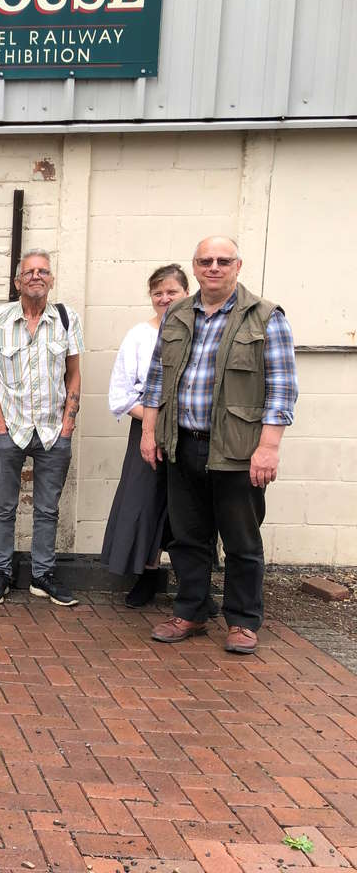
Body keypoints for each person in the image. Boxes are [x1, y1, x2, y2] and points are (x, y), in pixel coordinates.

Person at [141, 236, 297, 655]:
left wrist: (269, 448)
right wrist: (149, 432)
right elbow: (157, 378)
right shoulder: (176, 313)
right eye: (205, 260)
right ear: (194, 266)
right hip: (182, 443)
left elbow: (282, 389)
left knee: (242, 541)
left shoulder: (265, 317)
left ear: (237, 266)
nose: (214, 267)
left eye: (222, 261)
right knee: (188, 538)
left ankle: (243, 622)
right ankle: (191, 612)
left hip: (237, 450)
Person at [0, 248, 85, 607]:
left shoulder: (67, 320)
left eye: (43, 271)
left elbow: (74, 375)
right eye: (29, 272)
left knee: (47, 509)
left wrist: (67, 427)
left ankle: (42, 575)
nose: (36, 276)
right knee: (3, 507)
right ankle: (1, 573)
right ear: (17, 281)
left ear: (51, 279)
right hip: (12, 429)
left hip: (53, 431)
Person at [99, 264, 189, 607]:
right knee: (145, 505)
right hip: (147, 429)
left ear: (186, 292)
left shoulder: (203, 330)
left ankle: (191, 586)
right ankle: (146, 578)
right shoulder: (139, 335)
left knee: (189, 511)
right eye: (158, 293)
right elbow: (121, 395)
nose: (164, 298)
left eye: (172, 292)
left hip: (193, 431)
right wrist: (156, 420)